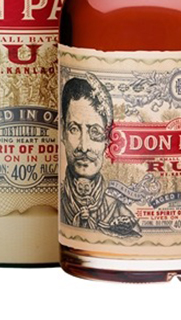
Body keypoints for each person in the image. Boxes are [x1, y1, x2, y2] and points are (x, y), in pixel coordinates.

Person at [59, 73, 140, 238]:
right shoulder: (58, 203)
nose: (83, 147)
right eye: (74, 129)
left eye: (95, 131)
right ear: (62, 131)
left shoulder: (119, 212)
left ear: (108, 138)